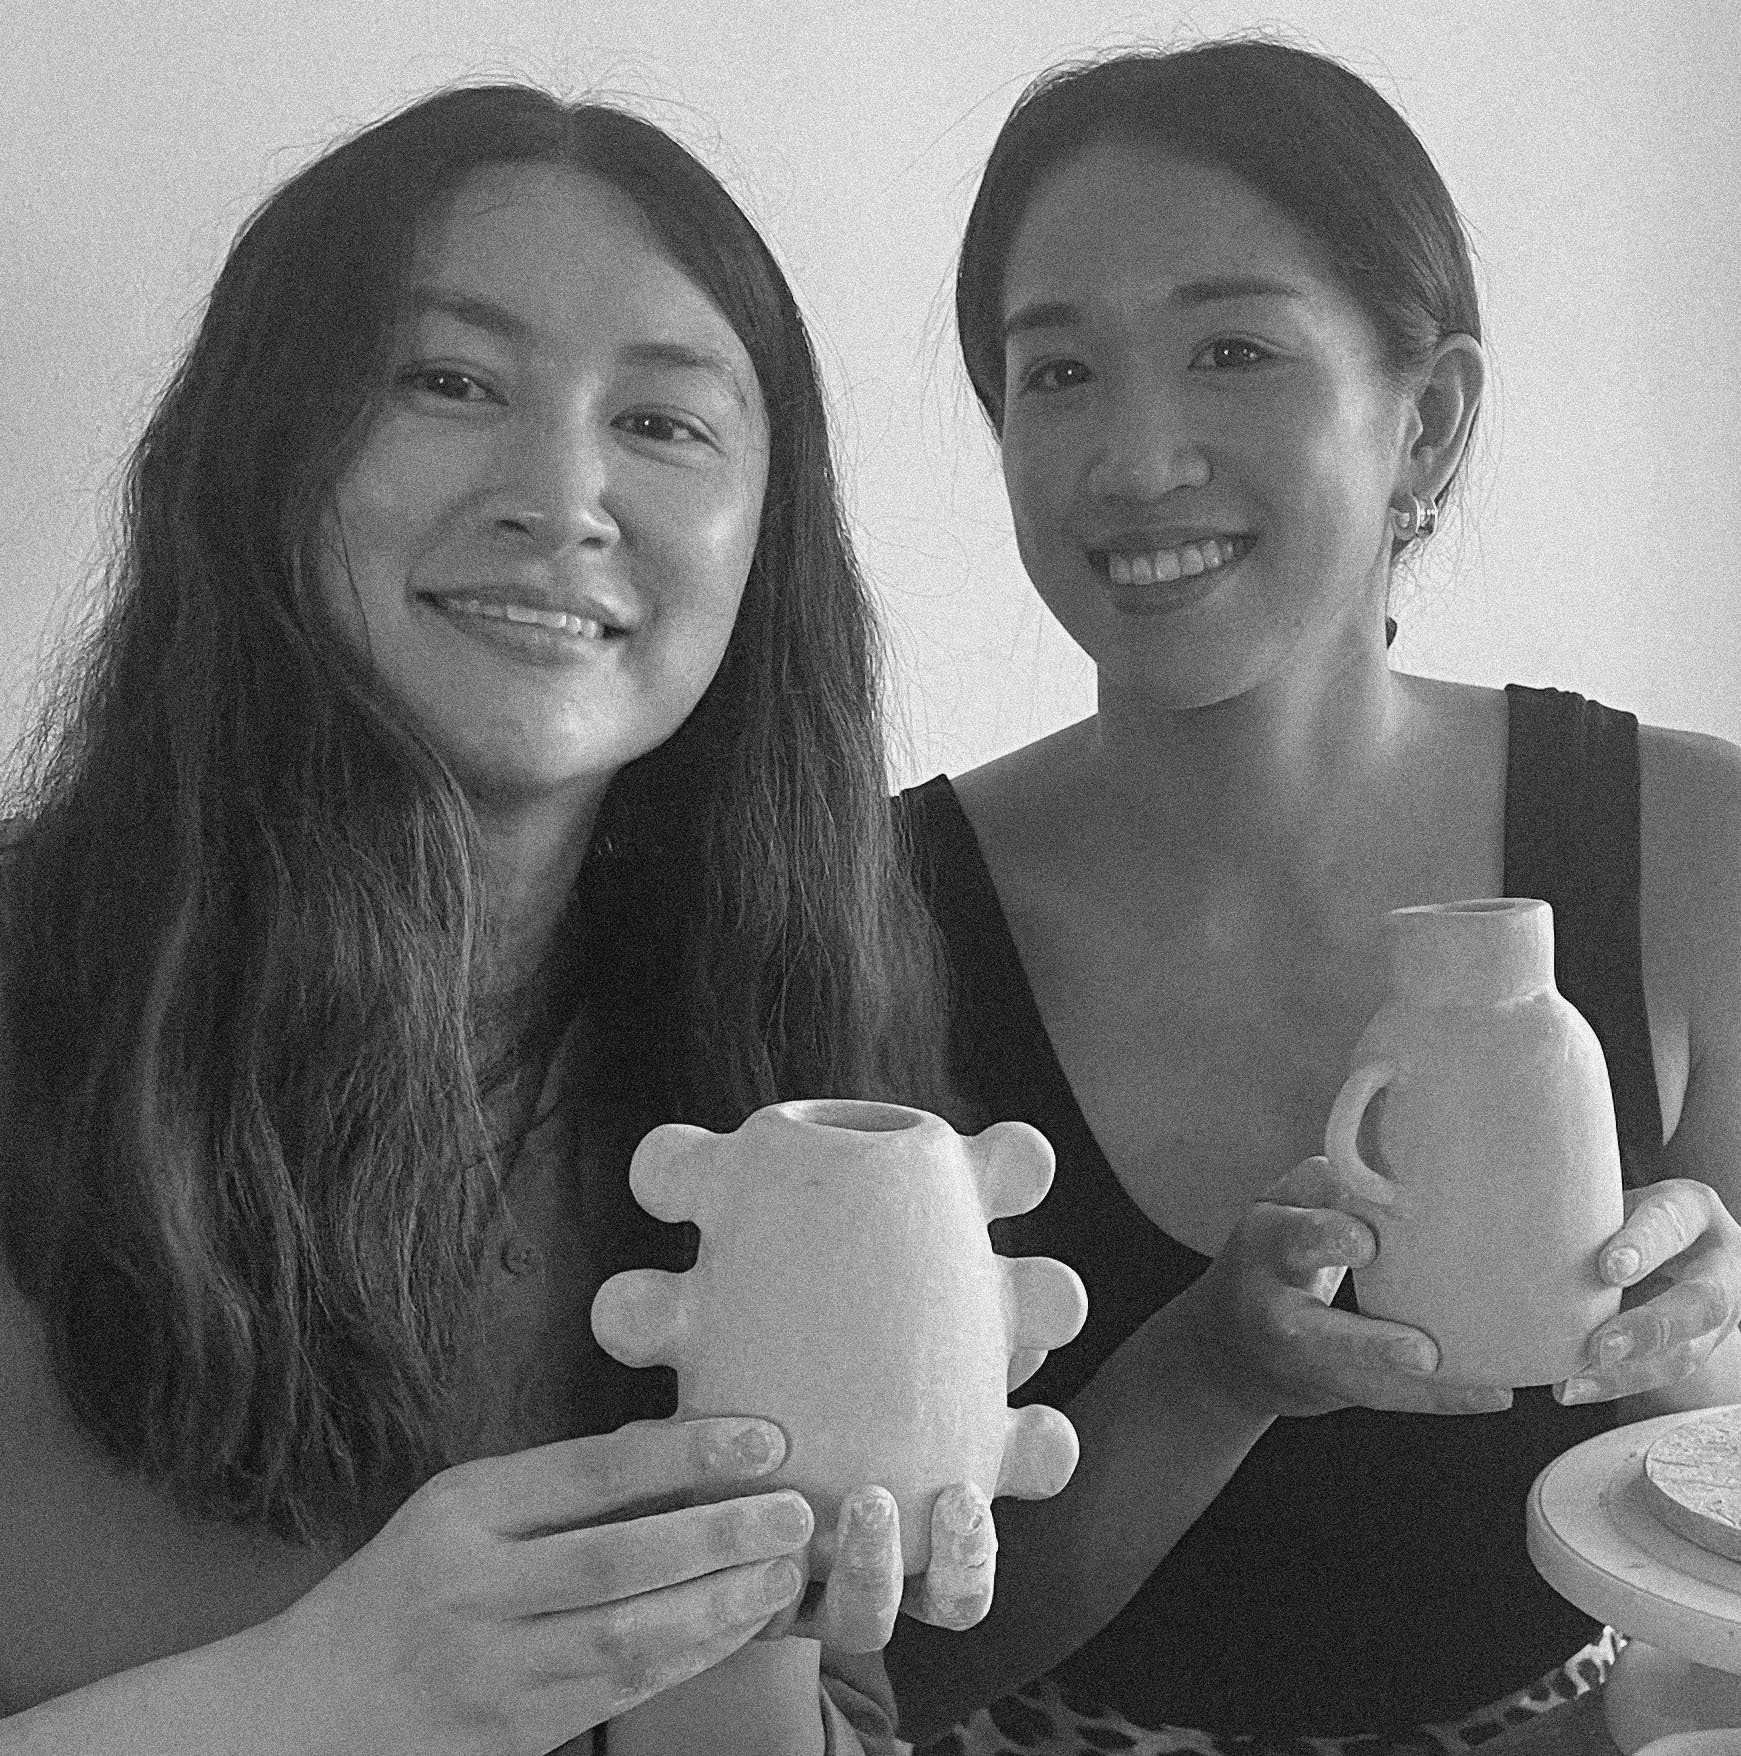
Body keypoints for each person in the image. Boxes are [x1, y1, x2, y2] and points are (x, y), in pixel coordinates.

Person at [0, 83, 1014, 1756]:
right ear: (262, 454)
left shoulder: (770, 1064)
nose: (562, 494)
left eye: (666, 423)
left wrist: (749, 1597)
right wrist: (319, 1700)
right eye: (447, 382)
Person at [889, 39, 1741, 1755]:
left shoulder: (1697, 843)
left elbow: (1726, 1523)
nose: (1135, 458)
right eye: (1055, 372)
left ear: (1423, 415)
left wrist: (1689, 1348)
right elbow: (894, 1661)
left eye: (1233, 349)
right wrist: (1214, 1369)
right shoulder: (873, 909)